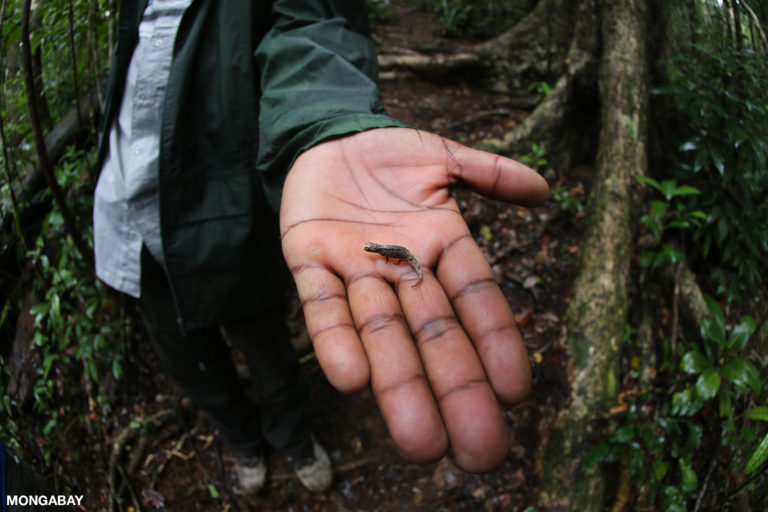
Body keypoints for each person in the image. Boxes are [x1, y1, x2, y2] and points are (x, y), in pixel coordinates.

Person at [93, 0, 549, 495]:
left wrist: (330, 122)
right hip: (128, 233)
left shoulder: (387, 252)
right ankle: (243, 441)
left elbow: (313, 23)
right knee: (191, 361)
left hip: (232, 240)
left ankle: (292, 439)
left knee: (266, 352)